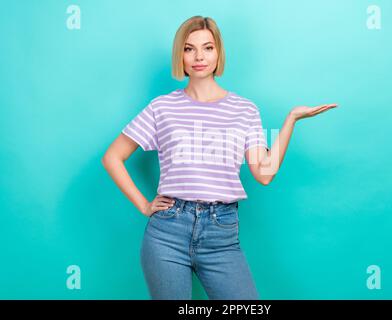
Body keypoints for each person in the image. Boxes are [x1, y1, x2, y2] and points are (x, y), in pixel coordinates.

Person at [101, 15, 338, 300]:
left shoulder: (244, 110)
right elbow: (113, 157)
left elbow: (264, 173)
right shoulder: (161, 107)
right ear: (181, 55)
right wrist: (143, 204)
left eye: (208, 47)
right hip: (167, 232)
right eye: (189, 49)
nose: (199, 56)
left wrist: (291, 120)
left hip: (221, 233)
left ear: (218, 53)